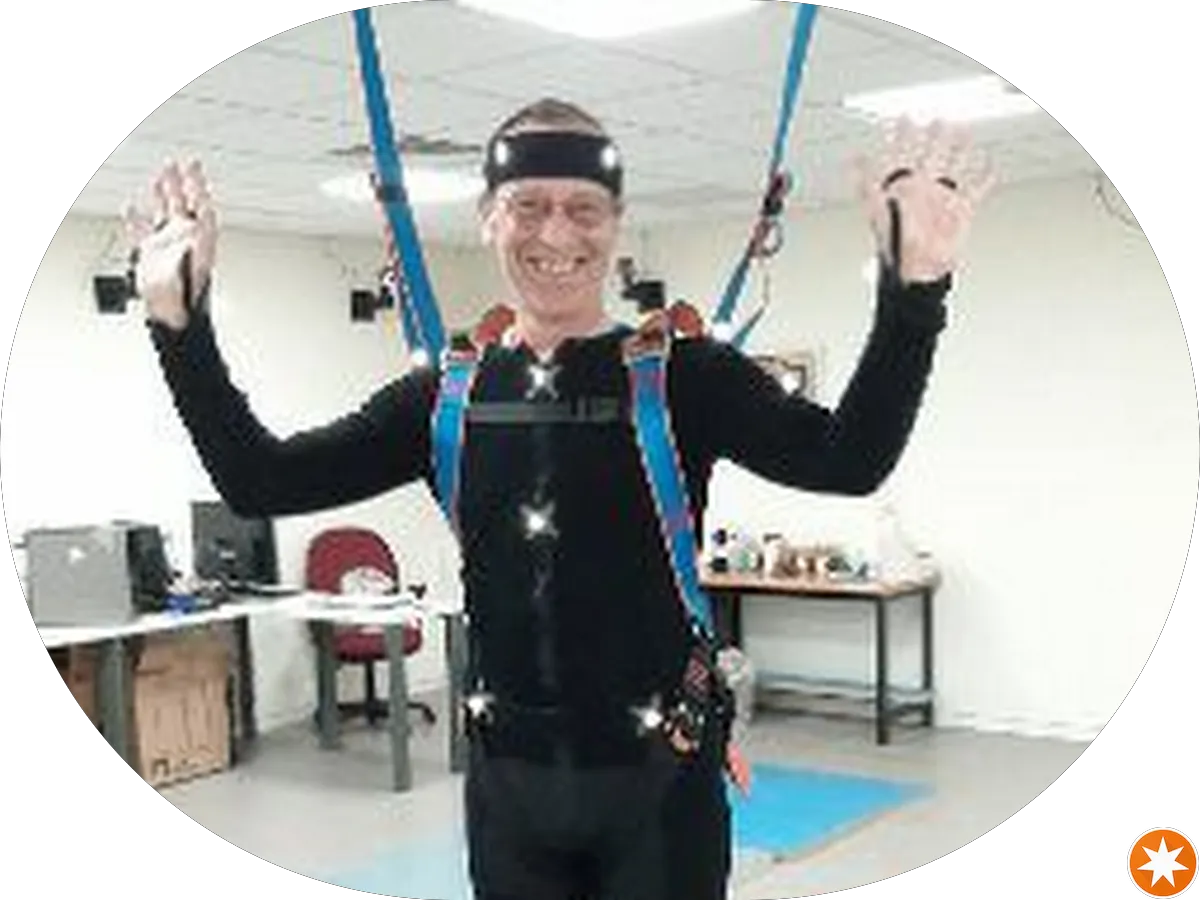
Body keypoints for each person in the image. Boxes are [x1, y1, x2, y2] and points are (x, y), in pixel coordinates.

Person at [124, 96, 994, 900]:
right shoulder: (443, 400)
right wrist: (178, 327)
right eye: (529, 205)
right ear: (488, 216)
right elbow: (261, 480)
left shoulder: (687, 379)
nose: (557, 233)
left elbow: (850, 460)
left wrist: (915, 293)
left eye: (585, 208)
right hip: (510, 797)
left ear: (617, 223)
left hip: (663, 784)